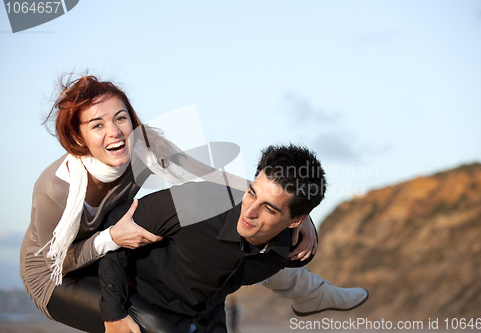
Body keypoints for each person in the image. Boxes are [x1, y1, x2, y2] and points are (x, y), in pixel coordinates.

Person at [20, 75, 367, 333]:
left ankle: (309, 292)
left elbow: (214, 178)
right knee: (153, 326)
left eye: (120, 117)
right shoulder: (55, 188)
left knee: (236, 224)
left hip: (108, 253)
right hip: (55, 276)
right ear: (78, 137)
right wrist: (111, 238)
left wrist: (295, 209)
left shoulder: (144, 145)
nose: (115, 132)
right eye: (97, 124)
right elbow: (55, 262)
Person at [99, 144, 366, 333]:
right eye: (251, 193)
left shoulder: (293, 249)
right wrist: (113, 313)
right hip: (142, 299)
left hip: (207, 314)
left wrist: (308, 224)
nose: (249, 212)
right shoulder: (196, 201)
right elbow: (116, 225)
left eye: (269, 208)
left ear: (295, 220)